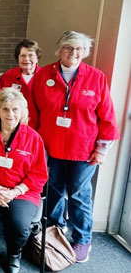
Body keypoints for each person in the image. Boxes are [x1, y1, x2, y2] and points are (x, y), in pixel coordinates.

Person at [30, 31, 119, 263]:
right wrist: (35, 145)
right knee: (54, 190)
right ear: (60, 50)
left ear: (85, 52)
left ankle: (82, 239)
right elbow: (33, 113)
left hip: (84, 149)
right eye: (69, 48)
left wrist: (102, 149)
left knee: (79, 194)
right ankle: (55, 230)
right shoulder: (43, 76)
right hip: (51, 147)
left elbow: (107, 116)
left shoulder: (96, 77)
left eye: (79, 49)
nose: (74, 53)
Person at [0, 87, 48, 273]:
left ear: (22, 112)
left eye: (15, 109)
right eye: (5, 109)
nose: (10, 114)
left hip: (22, 190)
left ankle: (14, 253)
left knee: (20, 224)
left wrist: (14, 192)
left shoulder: (34, 138)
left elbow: (39, 174)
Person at [0, 39, 42, 112]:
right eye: (23, 56)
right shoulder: (7, 76)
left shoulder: (45, 76)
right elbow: (0, 102)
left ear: (37, 58)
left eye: (31, 55)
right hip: (14, 120)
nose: (26, 59)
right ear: (18, 58)